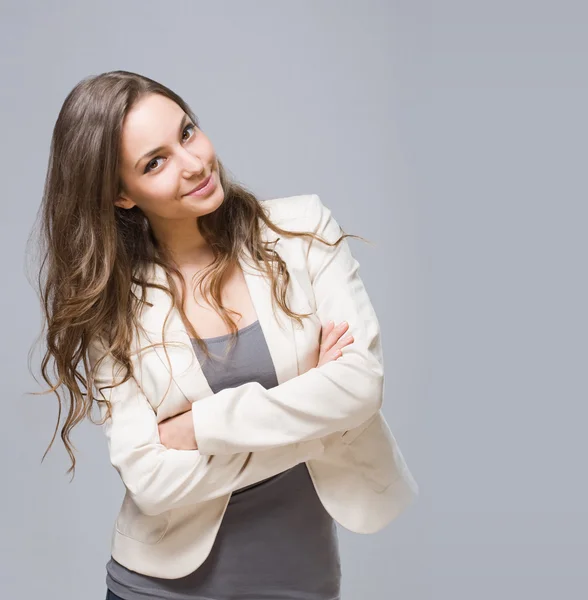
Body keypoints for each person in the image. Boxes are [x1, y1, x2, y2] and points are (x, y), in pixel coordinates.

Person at [30, 70, 418, 600]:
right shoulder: (115, 307)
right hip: (156, 587)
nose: (193, 165)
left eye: (187, 133)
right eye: (155, 162)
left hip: (300, 580)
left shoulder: (302, 233)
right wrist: (318, 413)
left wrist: (203, 426)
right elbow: (153, 481)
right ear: (122, 195)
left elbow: (360, 387)